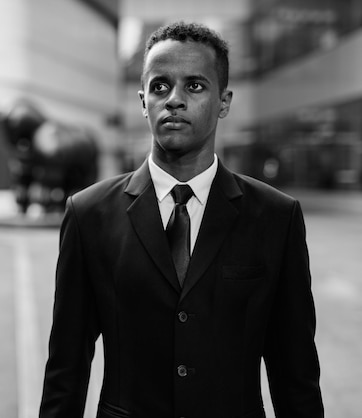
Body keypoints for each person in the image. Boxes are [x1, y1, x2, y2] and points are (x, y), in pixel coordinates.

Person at [39, 21, 324, 418]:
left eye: (194, 86)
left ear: (224, 102)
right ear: (142, 102)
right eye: (159, 86)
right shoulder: (89, 214)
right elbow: (65, 371)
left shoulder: (276, 217)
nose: (173, 99)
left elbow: (295, 374)